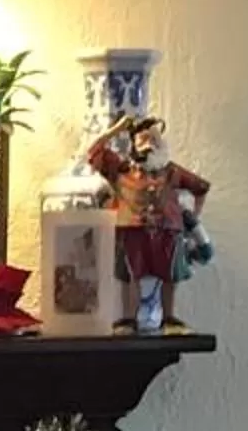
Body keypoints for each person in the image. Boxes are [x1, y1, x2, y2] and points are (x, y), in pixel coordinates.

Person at [84, 113, 216, 333]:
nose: (150, 144)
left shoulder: (172, 171)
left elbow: (200, 188)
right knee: (132, 274)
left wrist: (194, 218)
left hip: (168, 231)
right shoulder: (122, 170)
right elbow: (93, 153)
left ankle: (169, 318)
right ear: (134, 143)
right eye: (145, 139)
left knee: (170, 275)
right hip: (132, 231)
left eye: (155, 139)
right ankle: (129, 319)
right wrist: (115, 130)